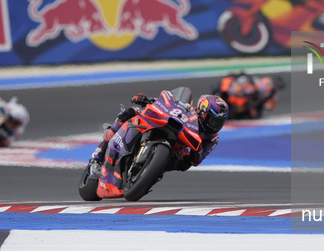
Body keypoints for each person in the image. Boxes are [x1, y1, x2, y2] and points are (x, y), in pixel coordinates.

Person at [88, 87, 228, 177]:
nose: (215, 125)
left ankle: (150, 172)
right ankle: (98, 156)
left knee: (183, 163)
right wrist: (146, 99)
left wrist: (193, 152)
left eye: (219, 122)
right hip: (163, 125)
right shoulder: (190, 112)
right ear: (202, 112)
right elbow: (167, 105)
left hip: (176, 149)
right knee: (131, 112)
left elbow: (197, 160)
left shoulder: (212, 138)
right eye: (212, 120)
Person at [214, 72, 281, 119]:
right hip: (233, 97)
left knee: (253, 115)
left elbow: (269, 107)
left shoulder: (270, 94)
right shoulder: (247, 81)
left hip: (245, 102)